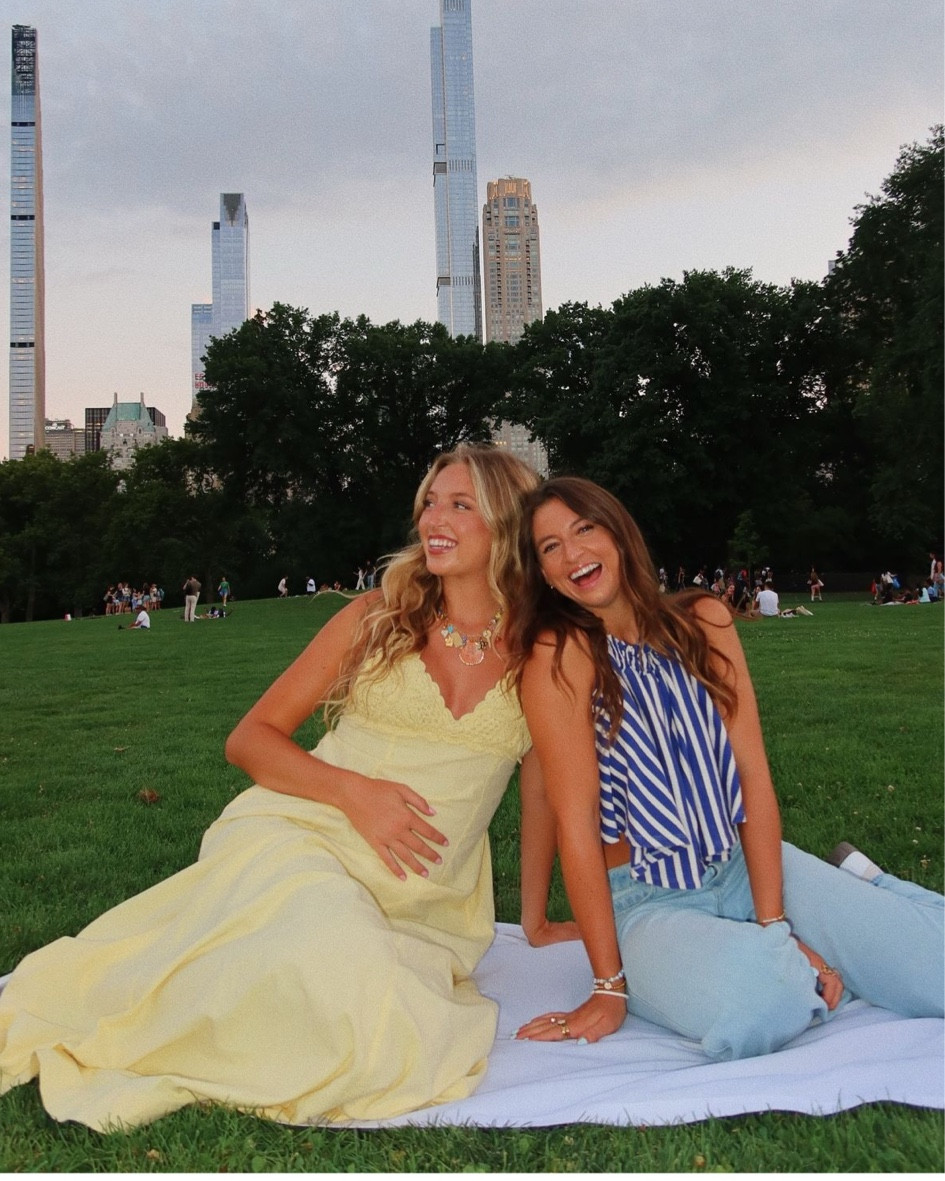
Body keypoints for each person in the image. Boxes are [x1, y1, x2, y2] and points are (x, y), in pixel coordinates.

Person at [0, 445, 549, 1131]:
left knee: (362, 996)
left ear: (508, 522)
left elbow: (546, 790)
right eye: (429, 503)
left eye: (459, 504)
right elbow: (251, 737)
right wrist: (355, 792)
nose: (433, 519)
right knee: (340, 968)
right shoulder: (376, 617)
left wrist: (533, 919)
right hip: (294, 836)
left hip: (422, 897)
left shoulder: (543, 648)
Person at [510, 476, 943, 1058]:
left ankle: (867, 884)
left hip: (741, 862)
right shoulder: (559, 655)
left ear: (618, 532)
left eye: (585, 529)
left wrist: (775, 926)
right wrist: (608, 986)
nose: (574, 554)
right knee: (766, 1003)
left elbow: (752, 776)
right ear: (542, 573)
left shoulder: (703, 619)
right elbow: (577, 825)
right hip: (646, 900)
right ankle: (783, 953)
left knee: (932, 968)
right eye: (550, 547)